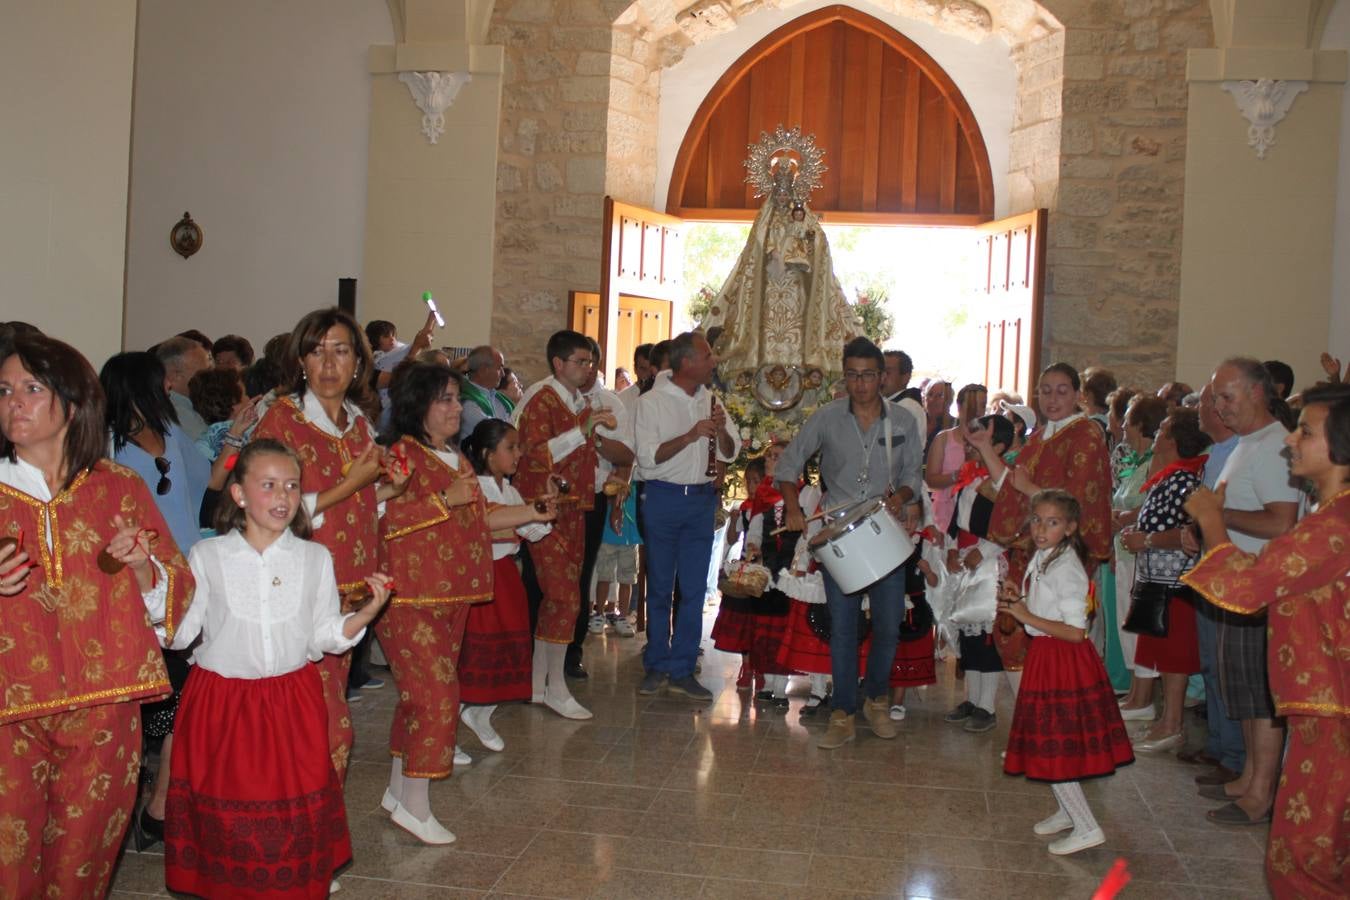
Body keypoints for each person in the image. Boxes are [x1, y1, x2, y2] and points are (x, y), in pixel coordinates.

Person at [0, 333, 193, 898]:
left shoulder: (118, 487)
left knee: (83, 863)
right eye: (5, 389)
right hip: (10, 711)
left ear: (74, 401)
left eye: (32, 389)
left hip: (105, 709)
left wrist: (139, 572)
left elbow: (178, 591)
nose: (15, 401)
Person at [164, 439, 392, 897]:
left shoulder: (314, 558)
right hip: (222, 704)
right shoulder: (208, 556)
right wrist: (152, 592)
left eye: (291, 485)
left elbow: (322, 635)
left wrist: (363, 616)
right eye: (268, 485)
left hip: (291, 701)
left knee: (292, 816)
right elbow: (182, 635)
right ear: (239, 495)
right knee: (229, 820)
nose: (283, 497)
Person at [1182, 384, 1350, 898]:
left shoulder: (1334, 527)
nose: (1292, 440)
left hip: (1333, 710)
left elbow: (1247, 586)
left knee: (1304, 853)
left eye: (1306, 431)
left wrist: (1212, 520)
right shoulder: (1333, 517)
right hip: (1327, 702)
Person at [378, 362, 554, 843]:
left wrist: (534, 511)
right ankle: (415, 806)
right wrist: (442, 501)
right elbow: (379, 517)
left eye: (458, 398)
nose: (458, 407)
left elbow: (482, 517)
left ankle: (397, 791)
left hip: (451, 596)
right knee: (437, 697)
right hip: (410, 598)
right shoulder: (400, 455)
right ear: (419, 406)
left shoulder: (453, 458)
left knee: (418, 699)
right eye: (447, 399)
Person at [253, 307, 402, 780]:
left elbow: (354, 503)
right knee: (312, 714)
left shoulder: (358, 421)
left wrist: (385, 491)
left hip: (349, 585)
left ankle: (315, 819)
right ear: (300, 360)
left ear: (359, 362)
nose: (330, 364)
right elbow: (268, 509)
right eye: (317, 352)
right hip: (297, 584)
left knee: (331, 702)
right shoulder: (282, 419)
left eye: (341, 351)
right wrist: (352, 482)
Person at [777, 336, 923, 749]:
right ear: (846, 376)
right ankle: (842, 711)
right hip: (839, 534)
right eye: (853, 376)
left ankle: (875, 699)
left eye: (869, 376)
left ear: (882, 377)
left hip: (884, 530)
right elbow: (789, 465)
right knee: (842, 629)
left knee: (889, 624)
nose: (860, 384)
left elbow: (914, 473)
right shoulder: (826, 418)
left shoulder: (903, 421)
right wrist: (793, 506)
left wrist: (901, 497)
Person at [100, 350, 213, 846]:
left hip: (163, 584)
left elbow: (210, 480)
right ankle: (152, 804)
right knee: (166, 697)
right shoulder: (126, 445)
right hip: (154, 584)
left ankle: (154, 804)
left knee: (166, 698)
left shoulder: (116, 446)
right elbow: (213, 479)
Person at [1195, 357, 1300, 826]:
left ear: (1258, 393)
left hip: (1260, 582)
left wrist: (1217, 519)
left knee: (1260, 694)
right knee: (1245, 689)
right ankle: (1251, 777)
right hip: (1237, 581)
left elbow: (1281, 522)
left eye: (1226, 397)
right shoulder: (1247, 443)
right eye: (1215, 398)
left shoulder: (1276, 444)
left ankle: (1262, 792)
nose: (1218, 407)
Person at [1001, 489, 1134, 856]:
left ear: (1071, 528)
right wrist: (1020, 599)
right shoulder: (1044, 556)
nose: (1041, 528)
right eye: (1037, 520)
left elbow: (1076, 631)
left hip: (1063, 660)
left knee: (1052, 743)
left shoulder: (1067, 567)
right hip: (1047, 655)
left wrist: (1025, 616)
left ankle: (1087, 826)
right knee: (1049, 739)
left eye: (1053, 522)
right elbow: (1045, 607)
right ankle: (1067, 811)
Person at [967, 362, 1113, 689]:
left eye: (1062, 391)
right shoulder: (1040, 437)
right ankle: (1030, 719)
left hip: (1063, 554)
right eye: (1045, 391)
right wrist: (985, 447)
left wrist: (1029, 490)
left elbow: (1075, 501)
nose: (1052, 398)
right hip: (1030, 551)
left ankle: (1046, 720)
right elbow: (1012, 487)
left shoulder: (1085, 435)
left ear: (1078, 395)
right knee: (1010, 630)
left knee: (1046, 633)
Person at [513, 330, 615, 719]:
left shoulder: (575, 401)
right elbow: (536, 455)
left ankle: (539, 683)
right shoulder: (542, 398)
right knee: (564, 597)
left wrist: (606, 481)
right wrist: (584, 430)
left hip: (572, 510)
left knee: (563, 597)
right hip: (545, 511)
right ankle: (556, 686)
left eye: (590, 362)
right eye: (580, 361)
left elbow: (581, 458)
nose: (588, 368)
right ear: (559, 363)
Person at [634, 331, 740, 700]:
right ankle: (656, 664)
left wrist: (722, 431)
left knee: (694, 590)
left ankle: (682, 668)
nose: (714, 361)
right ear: (686, 363)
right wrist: (691, 435)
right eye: (707, 355)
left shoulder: (710, 399)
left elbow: (731, 451)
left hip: (700, 501)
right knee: (661, 587)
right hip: (663, 498)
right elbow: (648, 458)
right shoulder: (652, 403)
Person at [459, 418, 557, 753]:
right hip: (483, 576)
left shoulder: (510, 490)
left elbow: (532, 531)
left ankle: (481, 712)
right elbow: (484, 528)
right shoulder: (475, 488)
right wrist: (527, 516)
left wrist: (544, 513)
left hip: (507, 577)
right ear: (487, 454)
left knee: (510, 651)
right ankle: (452, 730)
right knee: (476, 655)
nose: (518, 454)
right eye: (510, 448)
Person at [1117, 408, 1209, 751]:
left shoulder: (1185, 481)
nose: (1156, 433)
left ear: (1172, 440)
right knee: (1159, 649)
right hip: (1157, 577)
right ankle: (1164, 720)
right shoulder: (1170, 475)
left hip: (1176, 581)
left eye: (1163, 429)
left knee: (1173, 655)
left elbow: (1192, 532)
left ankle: (1172, 724)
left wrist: (1148, 540)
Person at [1180, 383, 1246, 782]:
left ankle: (1236, 757)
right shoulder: (1216, 454)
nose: (1202, 410)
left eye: (1208, 403)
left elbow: (1232, 511)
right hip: (1210, 565)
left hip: (1234, 570)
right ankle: (1220, 745)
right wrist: (1195, 527)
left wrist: (1209, 522)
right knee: (1211, 662)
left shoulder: (1242, 449)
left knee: (1230, 667)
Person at [942, 415, 1016, 734]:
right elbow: (957, 523)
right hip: (965, 561)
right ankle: (971, 698)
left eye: (977, 442)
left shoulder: (1002, 482)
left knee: (986, 638)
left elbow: (1010, 525)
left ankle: (987, 704)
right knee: (969, 636)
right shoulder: (969, 478)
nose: (969, 448)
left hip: (989, 562)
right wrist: (950, 549)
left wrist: (982, 551)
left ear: (997, 446)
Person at [1111, 395, 1168, 702]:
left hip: (1141, 554)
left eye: (1128, 419)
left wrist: (1123, 519)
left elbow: (1150, 504)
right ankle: (1134, 691)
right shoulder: (1135, 464)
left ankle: (1142, 697)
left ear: (1142, 424)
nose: (1122, 425)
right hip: (1124, 553)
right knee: (1125, 622)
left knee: (1138, 624)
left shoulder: (1153, 464)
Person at [925, 383, 987, 534]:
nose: (978, 411)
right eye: (973, 405)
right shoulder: (944, 438)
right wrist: (957, 475)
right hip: (946, 511)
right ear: (959, 407)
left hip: (975, 512)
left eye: (983, 405)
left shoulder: (988, 441)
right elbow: (930, 480)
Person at [155, 335, 213, 441]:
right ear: (175, 376)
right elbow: (212, 451)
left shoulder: (189, 405)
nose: (211, 377)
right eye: (204, 373)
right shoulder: (178, 412)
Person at [458, 344, 514, 443]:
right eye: (499, 368)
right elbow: (494, 433)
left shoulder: (500, 400)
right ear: (483, 370)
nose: (503, 373)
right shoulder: (466, 401)